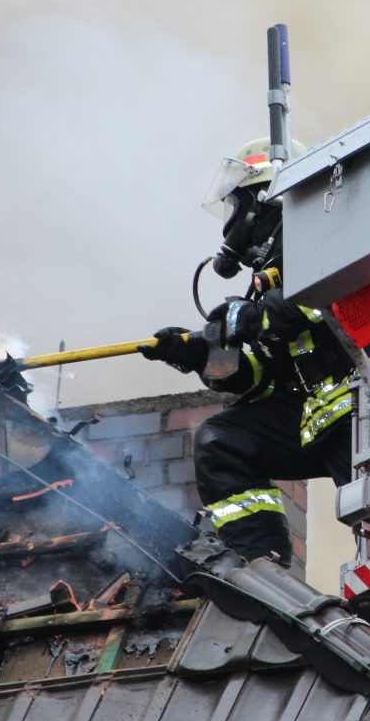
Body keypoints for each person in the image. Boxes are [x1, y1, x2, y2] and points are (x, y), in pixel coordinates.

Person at [140, 138, 357, 567]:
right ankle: (262, 566)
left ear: (262, 200)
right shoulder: (266, 283)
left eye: (235, 205)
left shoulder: (335, 231)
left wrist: (258, 317)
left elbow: (333, 297)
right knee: (222, 441)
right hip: (319, 417)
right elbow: (267, 374)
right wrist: (202, 353)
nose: (231, 223)